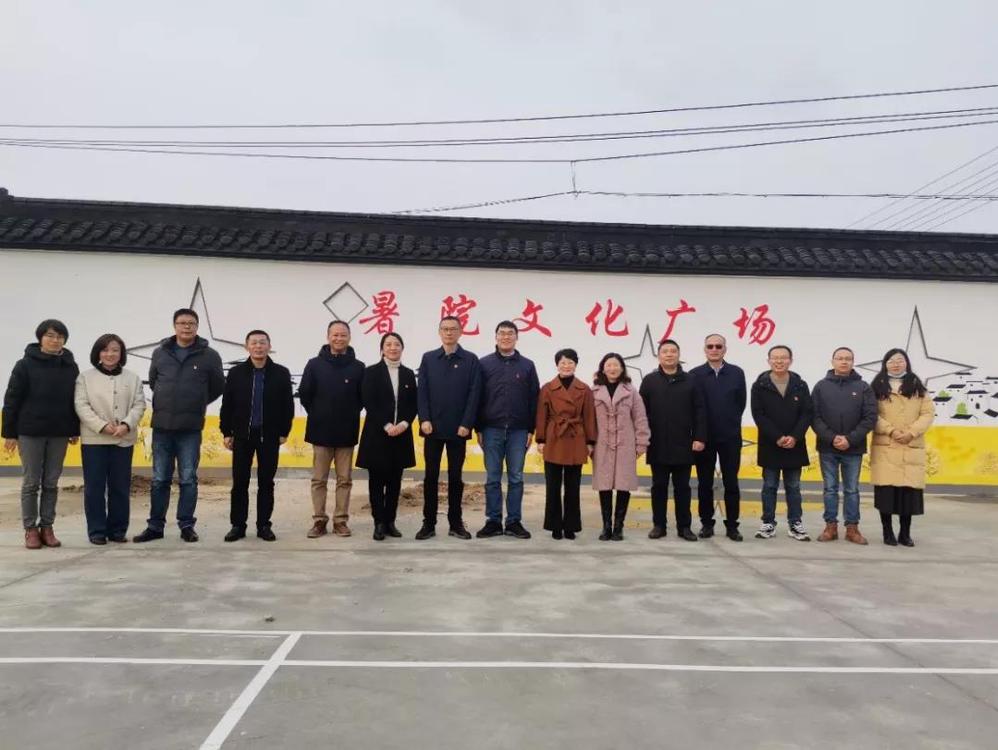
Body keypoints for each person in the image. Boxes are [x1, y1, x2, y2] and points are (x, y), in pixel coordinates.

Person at [133, 308, 224, 544]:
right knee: (159, 479)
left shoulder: (209, 355)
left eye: (191, 323)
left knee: (188, 479)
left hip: (190, 428)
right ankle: (155, 526)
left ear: (197, 327)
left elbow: (217, 386)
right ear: (174, 326)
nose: (187, 327)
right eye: (182, 323)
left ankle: (186, 525)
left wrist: (197, 401)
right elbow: (154, 382)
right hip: (162, 427)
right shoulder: (160, 353)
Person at [2, 319, 80, 549]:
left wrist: (73, 429)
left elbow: (73, 400)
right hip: (30, 432)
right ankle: (30, 529)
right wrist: (9, 433)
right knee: (31, 482)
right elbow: (12, 399)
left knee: (51, 482)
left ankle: (47, 527)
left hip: (59, 432)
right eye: (50, 335)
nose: (55, 340)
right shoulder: (24, 365)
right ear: (40, 338)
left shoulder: (70, 366)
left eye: (60, 336)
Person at [219, 330, 294, 543]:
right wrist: (227, 432)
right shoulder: (236, 373)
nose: (258, 346)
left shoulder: (280, 373)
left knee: (266, 482)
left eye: (262, 343)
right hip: (242, 436)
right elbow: (227, 404)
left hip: (269, 436)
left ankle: (263, 525)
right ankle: (237, 525)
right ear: (247, 347)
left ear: (269, 346)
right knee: (239, 482)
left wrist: (284, 431)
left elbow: (288, 405)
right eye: (254, 343)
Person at [74, 333, 146, 545]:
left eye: (115, 350)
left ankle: (117, 530)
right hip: (94, 440)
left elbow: (139, 404)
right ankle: (97, 531)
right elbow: (81, 406)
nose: (110, 354)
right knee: (94, 488)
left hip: (123, 440)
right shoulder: (85, 378)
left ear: (121, 353)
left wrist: (126, 424)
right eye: (105, 350)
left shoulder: (132, 378)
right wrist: (102, 426)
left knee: (120, 487)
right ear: (98, 353)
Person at [415, 316, 482, 540]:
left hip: (458, 430)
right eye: (445, 329)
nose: (449, 333)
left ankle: (456, 523)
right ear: (439, 332)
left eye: (453, 329)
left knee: (455, 478)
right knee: (430, 477)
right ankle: (428, 523)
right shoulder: (429, 358)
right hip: (432, 428)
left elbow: (474, 394)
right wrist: (424, 419)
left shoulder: (470, 360)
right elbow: (422, 391)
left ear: (461, 332)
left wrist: (467, 423)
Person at [299, 320, 365, 538]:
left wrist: (347, 413)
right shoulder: (314, 364)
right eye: (335, 335)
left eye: (343, 335)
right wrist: (320, 413)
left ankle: (340, 521)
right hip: (320, 431)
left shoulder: (358, 367)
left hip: (347, 431)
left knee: (344, 479)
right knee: (319, 479)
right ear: (328, 337)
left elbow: (361, 398)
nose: (339, 338)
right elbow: (305, 394)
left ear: (349, 337)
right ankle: (319, 520)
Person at [475, 321, 539, 540]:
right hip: (491, 429)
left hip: (518, 431)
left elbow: (534, 399)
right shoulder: (484, 364)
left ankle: (513, 522)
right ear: (496, 337)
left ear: (516, 337)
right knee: (492, 478)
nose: (506, 337)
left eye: (510, 333)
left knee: (516, 478)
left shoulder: (527, 366)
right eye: (501, 333)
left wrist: (531, 429)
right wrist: (479, 428)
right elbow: (477, 397)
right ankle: (493, 521)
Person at [639, 338, 707, 541]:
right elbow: (641, 413)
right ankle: (659, 525)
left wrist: (700, 437)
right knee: (658, 486)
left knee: (683, 488)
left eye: (673, 351)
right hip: (657, 443)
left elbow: (700, 411)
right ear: (659, 356)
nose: (669, 354)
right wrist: (643, 438)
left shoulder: (691, 380)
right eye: (665, 351)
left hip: (683, 443)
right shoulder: (650, 381)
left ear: (679, 355)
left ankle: (684, 527)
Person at [811, 346, 877, 545]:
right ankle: (830, 527)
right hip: (827, 448)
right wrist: (832, 438)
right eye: (839, 358)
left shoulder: (863, 387)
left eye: (848, 358)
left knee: (851, 490)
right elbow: (814, 416)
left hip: (853, 448)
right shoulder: (821, 386)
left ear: (853, 362)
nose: (844, 361)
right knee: (830, 489)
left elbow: (870, 417)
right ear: (832, 361)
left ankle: (852, 528)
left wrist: (850, 439)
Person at [869, 348, 933, 547]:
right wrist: (891, 431)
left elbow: (927, 414)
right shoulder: (876, 386)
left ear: (906, 363)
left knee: (908, 494)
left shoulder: (917, 386)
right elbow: (871, 414)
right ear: (885, 364)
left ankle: (905, 534)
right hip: (886, 446)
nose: (896, 364)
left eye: (900, 360)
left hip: (910, 445)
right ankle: (887, 532)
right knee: (886, 493)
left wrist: (911, 432)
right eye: (891, 361)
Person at [356, 332, 417, 540]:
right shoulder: (371, 372)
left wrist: (404, 423)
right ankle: (379, 522)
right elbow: (368, 400)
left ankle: (391, 521)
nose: (393, 348)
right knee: (376, 481)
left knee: (395, 481)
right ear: (382, 349)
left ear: (402, 348)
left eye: (397, 344)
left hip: (401, 434)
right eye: (388, 344)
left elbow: (413, 403)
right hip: (377, 433)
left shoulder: (408, 374)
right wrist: (387, 424)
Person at [749, 345, 813, 541]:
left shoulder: (800, 385)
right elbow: (758, 414)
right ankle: (768, 523)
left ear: (790, 360)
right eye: (775, 358)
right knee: (769, 485)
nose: (779, 361)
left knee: (793, 486)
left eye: (783, 358)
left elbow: (807, 413)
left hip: (795, 444)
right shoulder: (760, 385)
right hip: (770, 444)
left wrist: (795, 436)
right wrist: (777, 436)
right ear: (768, 360)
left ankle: (795, 523)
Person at [689, 334, 747, 541]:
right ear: (705, 349)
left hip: (730, 437)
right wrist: (699, 434)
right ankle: (707, 523)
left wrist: (729, 422)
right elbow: (693, 407)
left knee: (731, 483)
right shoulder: (695, 374)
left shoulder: (736, 373)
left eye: (718, 346)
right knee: (704, 483)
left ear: (725, 349)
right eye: (710, 346)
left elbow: (740, 403)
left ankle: (732, 525)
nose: (714, 349)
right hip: (703, 438)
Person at [536, 348, 597, 540]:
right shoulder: (547, 388)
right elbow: (542, 415)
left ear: (576, 365)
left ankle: (570, 526)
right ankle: (554, 526)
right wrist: (541, 439)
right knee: (552, 486)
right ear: (557, 365)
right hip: (554, 437)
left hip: (576, 437)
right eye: (563, 362)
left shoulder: (584, 389)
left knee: (573, 486)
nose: (566, 366)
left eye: (570, 362)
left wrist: (590, 441)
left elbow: (589, 416)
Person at [591, 353, 650, 541]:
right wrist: (589, 444)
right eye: (608, 365)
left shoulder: (631, 391)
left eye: (616, 365)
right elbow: (589, 421)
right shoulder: (594, 391)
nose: (612, 368)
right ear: (603, 368)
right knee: (604, 485)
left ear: (622, 368)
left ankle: (618, 527)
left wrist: (642, 443)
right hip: (602, 444)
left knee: (624, 485)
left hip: (625, 444)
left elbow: (640, 418)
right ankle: (606, 526)